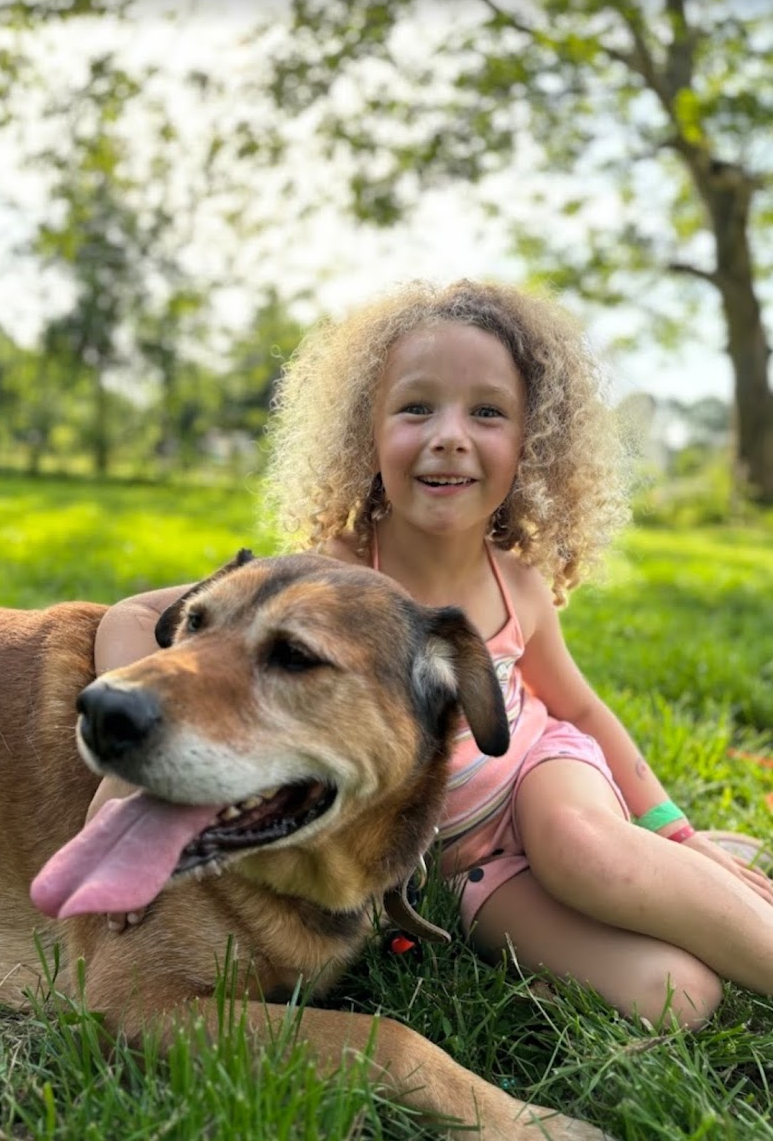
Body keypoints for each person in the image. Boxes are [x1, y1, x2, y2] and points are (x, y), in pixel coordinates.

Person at [89, 277, 773, 1030]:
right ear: (367, 433)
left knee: (582, 851)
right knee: (676, 998)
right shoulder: (326, 580)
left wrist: (673, 830)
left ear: (531, 446)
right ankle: (642, 916)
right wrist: (122, 786)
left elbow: (577, 706)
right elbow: (136, 616)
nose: (450, 434)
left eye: (487, 411)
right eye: (417, 407)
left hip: (542, 781)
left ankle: (710, 885)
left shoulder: (518, 584)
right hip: (456, 860)